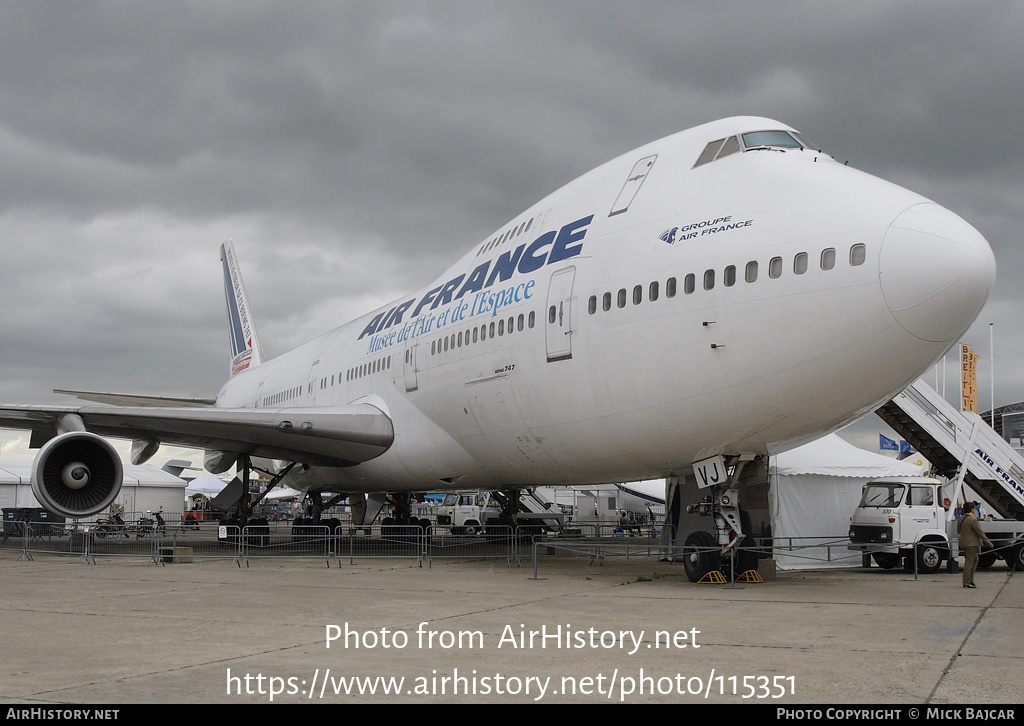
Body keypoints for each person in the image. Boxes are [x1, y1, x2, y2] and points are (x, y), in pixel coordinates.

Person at [957, 502, 993, 588]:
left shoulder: (961, 518)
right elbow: (980, 532)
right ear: (972, 510)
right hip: (971, 544)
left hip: (963, 543)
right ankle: (967, 582)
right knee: (969, 562)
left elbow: (958, 531)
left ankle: (971, 580)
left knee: (975, 559)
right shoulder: (972, 520)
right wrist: (988, 543)